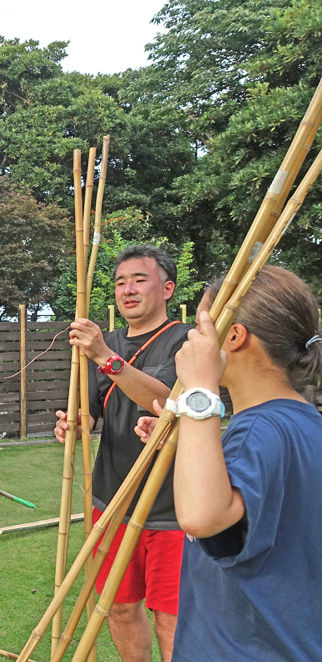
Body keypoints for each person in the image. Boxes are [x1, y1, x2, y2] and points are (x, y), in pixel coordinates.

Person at [135, 266, 322, 661]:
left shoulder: (257, 429)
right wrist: (192, 443)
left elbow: (202, 517)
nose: (188, 339)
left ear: (232, 337)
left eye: (198, 329)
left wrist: (199, 392)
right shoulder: (303, 421)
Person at [54, 245, 191, 662]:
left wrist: (105, 359)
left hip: (172, 507)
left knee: (172, 619)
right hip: (111, 500)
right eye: (119, 282)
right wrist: (75, 426)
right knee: (118, 604)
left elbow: (166, 402)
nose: (127, 289)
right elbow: (89, 416)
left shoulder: (183, 340)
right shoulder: (107, 342)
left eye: (139, 279)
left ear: (167, 288)